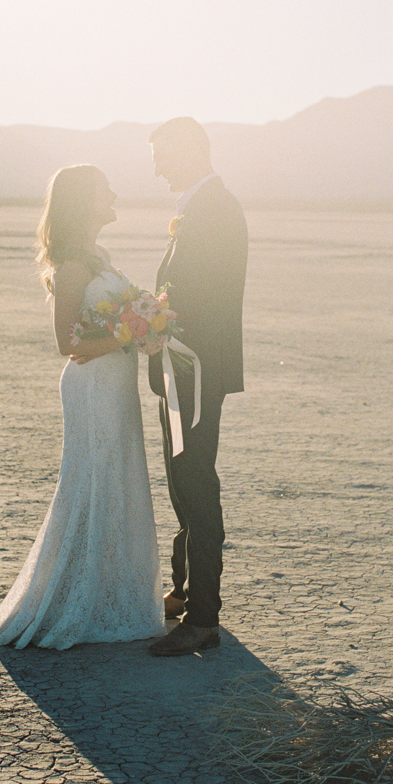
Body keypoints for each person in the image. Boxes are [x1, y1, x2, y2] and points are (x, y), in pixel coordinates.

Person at [0, 165, 164, 649]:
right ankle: (76, 599)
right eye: (104, 188)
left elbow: (102, 330)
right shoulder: (72, 266)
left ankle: (112, 590)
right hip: (92, 385)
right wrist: (137, 329)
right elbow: (67, 340)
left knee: (119, 475)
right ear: (83, 201)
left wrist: (138, 323)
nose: (113, 193)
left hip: (114, 381)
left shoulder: (98, 256)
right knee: (94, 478)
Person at [146, 118, 248, 657]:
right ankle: (185, 590)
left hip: (195, 371)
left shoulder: (215, 209)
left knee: (195, 483)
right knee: (181, 480)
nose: (158, 167)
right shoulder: (200, 206)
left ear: (190, 152)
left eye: (163, 155)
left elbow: (206, 298)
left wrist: (155, 321)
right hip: (181, 368)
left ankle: (203, 616)